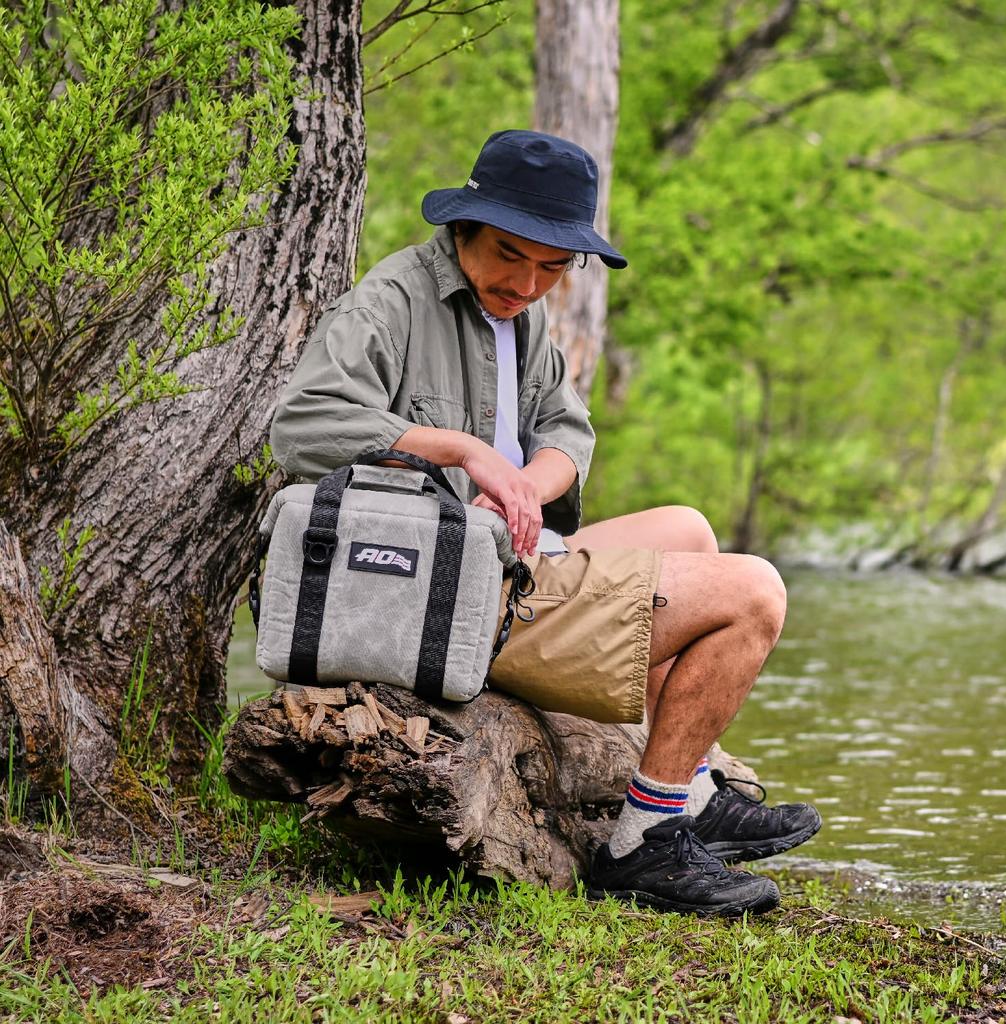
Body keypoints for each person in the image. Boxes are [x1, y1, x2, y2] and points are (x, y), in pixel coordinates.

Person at [270, 129, 821, 917]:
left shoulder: (521, 321)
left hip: (502, 561)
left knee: (692, 528)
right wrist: (461, 451)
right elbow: (300, 424)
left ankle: (693, 794)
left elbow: (569, 431)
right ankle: (646, 844)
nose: (527, 282)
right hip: (438, 599)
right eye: (509, 254)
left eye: (553, 267)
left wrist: (526, 482)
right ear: (464, 226)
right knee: (755, 593)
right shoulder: (390, 303)